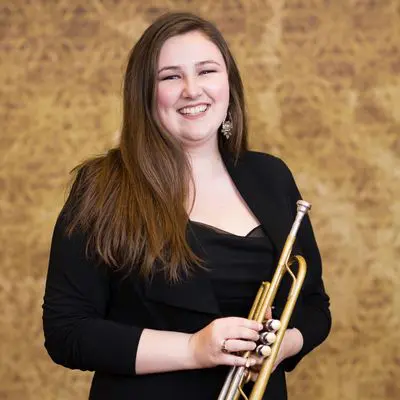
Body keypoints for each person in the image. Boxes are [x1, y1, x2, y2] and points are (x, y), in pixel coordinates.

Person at [42, 12, 331, 400]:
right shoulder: (102, 186)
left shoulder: (271, 176)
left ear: (228, 83)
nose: (192, 90)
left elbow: (314, 306)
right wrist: (194, 348)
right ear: (145, 93)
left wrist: (283, 345)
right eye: (170, 76)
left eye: (207, 71)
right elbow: (67, 333)